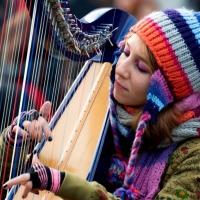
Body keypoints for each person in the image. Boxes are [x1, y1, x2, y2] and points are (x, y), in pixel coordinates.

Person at [3, 7, 200, 200]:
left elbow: (57, 181)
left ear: (169, 90)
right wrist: (16, 143)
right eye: (125, 51)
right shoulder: (107, 111)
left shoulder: (193, 157)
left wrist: (62, 183)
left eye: (140, 67)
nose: (120, 68)